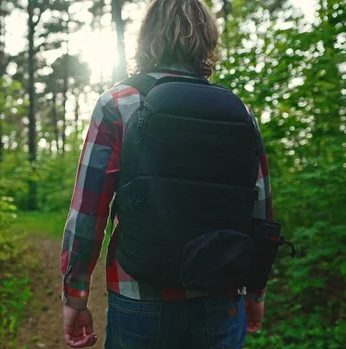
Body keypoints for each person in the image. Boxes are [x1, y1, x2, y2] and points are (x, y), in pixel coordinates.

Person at [60, 0, 277, 348]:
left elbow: (88, 212)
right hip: (221, 295)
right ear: (207, 39)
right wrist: (255, 291)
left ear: (146, 38)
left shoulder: (118, 103)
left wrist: (75, 297)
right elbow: (260, 210)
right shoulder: (240, 113)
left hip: (141, 295)